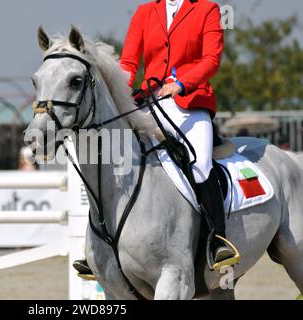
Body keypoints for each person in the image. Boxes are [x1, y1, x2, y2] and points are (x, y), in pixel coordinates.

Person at [74, 0, 237, 277]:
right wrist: (117, 95)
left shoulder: (207, 9)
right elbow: (128, 63)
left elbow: (211, 60)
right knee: (116, 158)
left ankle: (217, 240)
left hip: (190, 104)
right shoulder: (145, 12)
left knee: (199, 164)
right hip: (149, 103)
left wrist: (181, 83)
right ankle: (100, 247)